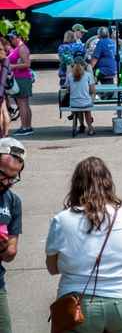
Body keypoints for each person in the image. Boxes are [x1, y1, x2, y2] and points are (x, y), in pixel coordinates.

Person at [45, 157, 122, 333]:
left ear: (75, 186)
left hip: (79, 302)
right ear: (108, 183)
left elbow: (53, 268)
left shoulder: (62, 220)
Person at [0, 138, 24, 331]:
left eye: (13, 177)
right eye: (3, 175)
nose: (8, 183)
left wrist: (4, 248)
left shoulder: (13, 202)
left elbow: (11, 254)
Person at [7, 31, 33, 136]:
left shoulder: (22, 48)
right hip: (21, 78)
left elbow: (27, 64)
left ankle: (25, 127)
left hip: (22, 78)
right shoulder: (18, 48)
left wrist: (12, 67)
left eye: (13, 38)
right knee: (24, 103)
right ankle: (27, 126)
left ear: (19, 37)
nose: (11, 40)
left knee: (22, 103)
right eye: (10, 38)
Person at [67, 59, 97, 136]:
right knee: (87, 108)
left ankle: (81, 125)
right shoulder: (88, 75)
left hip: (74, 103)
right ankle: (90, 128)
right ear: (84, 66)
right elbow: (92, 91)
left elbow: (68, 90)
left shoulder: (70, 75)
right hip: (85, 103)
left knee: (79, 107)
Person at [0, 49, 11, 138]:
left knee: (1, 112)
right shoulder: (5, 59)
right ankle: (5, 134)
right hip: (2, 88)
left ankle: (1, 134)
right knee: (4, 111)